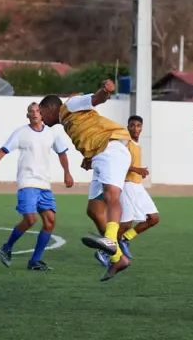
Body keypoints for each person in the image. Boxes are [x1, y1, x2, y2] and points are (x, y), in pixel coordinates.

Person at [38, 79, 133, 281]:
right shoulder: (66, 121)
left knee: (111, 195)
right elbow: (88, 131)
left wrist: (105, 91)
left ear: (50, 107)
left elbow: (95, 100)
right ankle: (118, 258)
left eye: (41, 112)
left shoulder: (70, 104)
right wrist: (88, 158)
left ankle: (110, 240)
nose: (41, 119)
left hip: (111, 148)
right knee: (94, 210)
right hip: (99, 156)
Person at [0, 102, 74, 271]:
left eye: (37, 111)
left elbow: (62, 152)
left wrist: (67, 173)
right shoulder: (21, 133)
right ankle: (7, 246)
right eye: (31, 111)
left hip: (44, 185)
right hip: (27, 182)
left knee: (50, 222)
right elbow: (4, 149)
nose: (34, 114)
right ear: (27, 115)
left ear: (42, 114)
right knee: (31, 219)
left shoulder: (51, 134)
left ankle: (35, 261)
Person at [94, 115, 160, 266]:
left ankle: (124, 239)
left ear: (142, 128)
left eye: (138, 126)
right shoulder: (125, 144)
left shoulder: (137, 145)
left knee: (154, 218)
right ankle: (103, 251)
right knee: (124, 224)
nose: (135, 129)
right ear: (127, 127)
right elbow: (118, 162)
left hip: (138, 186)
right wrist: (137, 169)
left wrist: (139, 172)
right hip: (127, 185)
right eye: (132, 125)